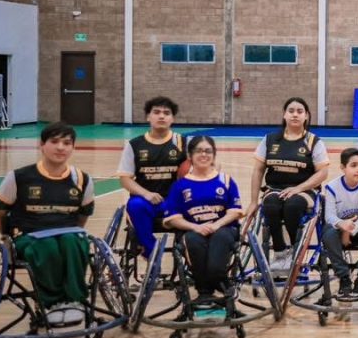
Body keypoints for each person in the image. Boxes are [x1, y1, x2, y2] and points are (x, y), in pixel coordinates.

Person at [0, 122, 96, 326]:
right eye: (54, 142)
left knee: (73, 241)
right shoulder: (19, 177)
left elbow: (82, 218)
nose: (60, 148)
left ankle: (74, 301)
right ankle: (51, 303)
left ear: (73, 147)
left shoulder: (82, 179)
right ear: (42, 144)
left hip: (66, 235)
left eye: (67, 143)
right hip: (28, 238)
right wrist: (8, 238)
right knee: (47, 246)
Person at [163, 135, 244, 311]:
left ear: (214, 155)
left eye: (208, 151)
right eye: (199, 151)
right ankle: (206, 291)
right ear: (190, 156)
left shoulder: (226, 180)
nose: (204, 155)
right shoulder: (180, 186)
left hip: (224, 228)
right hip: (192, 231)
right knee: (193, 239)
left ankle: (217, 281)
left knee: (221, 237)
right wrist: (195, 226)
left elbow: (235, 211)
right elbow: (173, 218)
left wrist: (216, 225)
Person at [250, 97, 330, 272]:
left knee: (292, 206)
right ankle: (280, 253)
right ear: (284, 115)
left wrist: (298, 188)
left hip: (304, 190)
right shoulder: (270, 140)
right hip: (275, 189)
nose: (295, 114)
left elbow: (323, 173)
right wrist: (253, 201)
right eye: (291, 111)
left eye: (300, 111)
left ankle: (296, 251)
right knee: (270, 205)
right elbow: (257, 171)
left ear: (306, 116)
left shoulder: (314, 141)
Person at [116, 96, 186, 263]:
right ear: (148, 116)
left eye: (166, 113)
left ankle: (193, 259)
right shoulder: (134, 145)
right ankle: (151, 253)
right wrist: (146, 194)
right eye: (156, 112)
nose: (161, 116)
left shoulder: (183, 143)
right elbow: (125, 179)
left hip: (174, 203)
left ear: (172, 119)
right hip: (146, 202)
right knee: (136, 205)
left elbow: (209, 166)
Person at [321, 148, 358, 298]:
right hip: (339, 229)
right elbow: (329, 216)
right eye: (353, 165)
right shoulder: (332, 187)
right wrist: (343, 225)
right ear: (343, 168)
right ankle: (344, 277)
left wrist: (349, 230)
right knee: (328, 233)